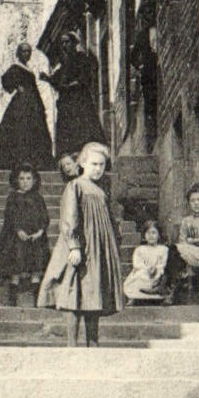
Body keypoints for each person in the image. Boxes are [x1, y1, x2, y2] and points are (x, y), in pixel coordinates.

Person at [37, 140, 122, 346]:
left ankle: (93, 342)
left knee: (94, 294)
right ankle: (72, 344)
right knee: (74, 292)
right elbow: (69, 217)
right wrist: (74, 246)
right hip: (81, 247)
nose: (98, 169)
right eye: (94, 164)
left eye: (102, 165)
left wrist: (112, 245)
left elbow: (109, 221)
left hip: (98, 249)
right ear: (82, 163)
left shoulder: (101, 191)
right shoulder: (75, 186)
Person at [0, 43, 54, 173]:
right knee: (20, 130)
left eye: (29, 51)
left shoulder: (28, 68)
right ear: (19, 53)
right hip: (22, 104)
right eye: (24, 51)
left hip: (33, 103)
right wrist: (16, 86)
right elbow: (5, 80)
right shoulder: (16, 67)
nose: (27, 54)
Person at [0, 164, 50, 306]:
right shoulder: (13, 197)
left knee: (37, 260)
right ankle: (13, 291)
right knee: (16, 258)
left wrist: (40, 231)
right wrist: (18, 230)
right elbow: (10, 216)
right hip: (17, 236)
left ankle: (37, 293)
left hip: (35, 236)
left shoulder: (38, 198)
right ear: (16, 180)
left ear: (35, 180)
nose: (25, 182)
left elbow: (44, 216)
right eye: (22, 179)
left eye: (29, 178)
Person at [42, 31, 105, 161]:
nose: (64, 45)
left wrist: (71, 85)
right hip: (66, 102)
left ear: (74, 43)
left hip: (79, 100)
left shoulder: (81, 58)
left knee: (82, 127)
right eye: (62, 43)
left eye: (67, 42)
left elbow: (85, 77)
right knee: (67, 129)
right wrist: (47, 78)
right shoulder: (64, 64)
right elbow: (57, 79)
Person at [123, 219, 169, 303]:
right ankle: (135, 297)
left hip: (157, 273)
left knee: (160, 278)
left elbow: (163, 263)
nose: (151, 236)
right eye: (148, 233)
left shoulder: (163, 249)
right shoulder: (140, 249)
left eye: (154, 233)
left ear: (159, 235)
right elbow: (137, 264)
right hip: (143, 272)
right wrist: (147, 269)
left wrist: (156, 269)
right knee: (139, 276)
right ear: (144, 235)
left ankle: (155, 293)